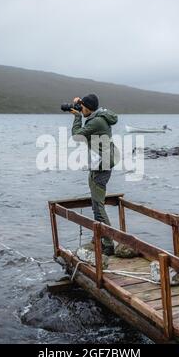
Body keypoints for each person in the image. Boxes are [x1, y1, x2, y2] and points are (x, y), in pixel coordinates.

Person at [70, 94, 118, 255]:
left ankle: (108, 244)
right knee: (96, 204)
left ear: (88, 108)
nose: (80, 109)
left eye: (82, 107)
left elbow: (77, 136)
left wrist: (77, 117)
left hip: (101, 166)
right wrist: (79, 107)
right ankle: (102, 237)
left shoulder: (97, 121)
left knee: (98, 206)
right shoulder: (98, 116)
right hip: (100, 163)